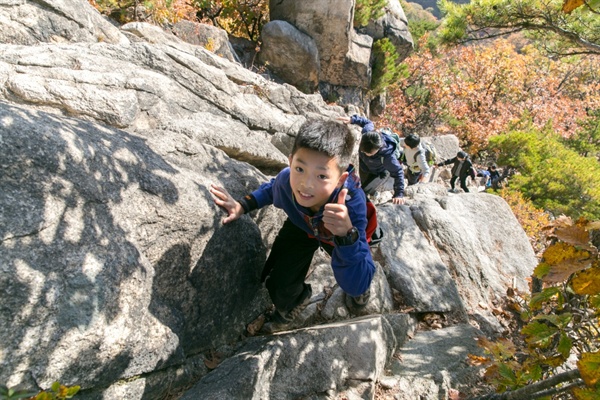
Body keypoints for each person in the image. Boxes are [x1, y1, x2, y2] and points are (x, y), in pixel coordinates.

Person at [210, 119, 376, 333]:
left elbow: (355, 264)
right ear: (290, 162)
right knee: (278, 279)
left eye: (322, 176)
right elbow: (272, 189)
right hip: (303, 226)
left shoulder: (351, 206)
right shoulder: (287, 180)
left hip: (342, 231)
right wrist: (243, 205)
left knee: (355, 281)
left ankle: (359, 294)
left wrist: (346, 235)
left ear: (340, 179)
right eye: (299, 168)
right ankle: (294, 302)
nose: (306, 184)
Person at [337, 115, 405, 205]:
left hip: (379, 174)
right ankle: (372, 192)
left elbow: (398, 172)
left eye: (369, 153)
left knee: (363, 191)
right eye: (363, 151)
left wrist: (399, 194)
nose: (366, 154)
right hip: (365, 167)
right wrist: (352, 119)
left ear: (378, 148)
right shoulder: (367, 134)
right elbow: (368, 122)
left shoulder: (387, 157)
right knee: (360, 186)